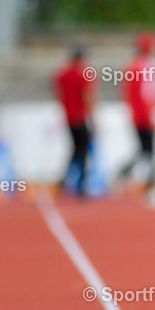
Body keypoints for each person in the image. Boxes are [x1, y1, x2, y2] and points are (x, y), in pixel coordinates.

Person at [118, 31, 155, 190]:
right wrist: (151, 116)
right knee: (149, 149)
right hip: (145, 114)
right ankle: (148, 182)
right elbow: (148, 93)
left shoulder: (132, 64)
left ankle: (132, 175)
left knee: (145, 149)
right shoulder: (147, 65)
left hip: (137, 113)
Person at [54, 46, 96, 197]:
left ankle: (65, 180)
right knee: (83, 151)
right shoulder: (83, 74)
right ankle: (81, 185)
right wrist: (92, 118)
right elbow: (88, 96)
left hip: (69, 116)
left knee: (75, 150)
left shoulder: (62, 74)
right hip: (80, 117)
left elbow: (58, 94)